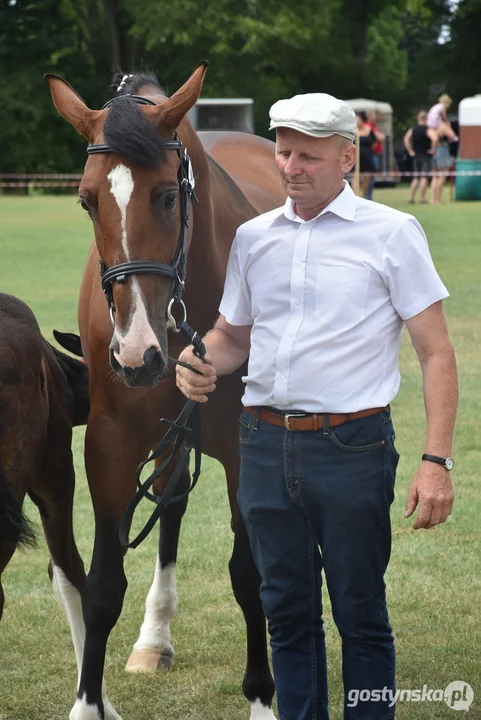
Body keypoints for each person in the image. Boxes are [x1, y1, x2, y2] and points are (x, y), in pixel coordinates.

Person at [176, 92, 458, 720]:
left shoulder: (392, 234)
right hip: (264, 448)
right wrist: (201, 362)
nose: (290, 165)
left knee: (361, 614)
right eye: (283, 151)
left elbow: (437, 352)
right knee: (286, 615)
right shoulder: (253, 239)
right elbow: (233, 338)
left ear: (347, 156)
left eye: (308, 154)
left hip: (352, 449)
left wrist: (435, 459)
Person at [403, 110, 438, 204]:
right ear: (426, 119)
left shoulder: (413, 129)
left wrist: (410, 150)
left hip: (416, 155)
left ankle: (411, 197)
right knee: (424, 177)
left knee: (416, 177)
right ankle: (422, 198)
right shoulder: (427, 129)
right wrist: (433, 150)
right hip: (425, 156)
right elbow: (435, 138)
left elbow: (406, 138)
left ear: (418, 118)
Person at [356, 111, 383, 199]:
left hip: (368, 157)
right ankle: (355, 197)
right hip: (356, 158)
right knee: (355, 178)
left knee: (367, 179)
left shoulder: (370, 129)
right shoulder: (354, 130)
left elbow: (378, 140)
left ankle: (364, 198)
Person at [366, 110, 385, 200]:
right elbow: (380, 138)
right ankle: (367, 197)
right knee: (369, 178)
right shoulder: (369, 127)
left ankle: (369, 197)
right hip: (371, 155)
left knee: (371, 178)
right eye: (374, 116)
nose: (376, 117)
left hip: (375, 154)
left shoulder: (373, 127)